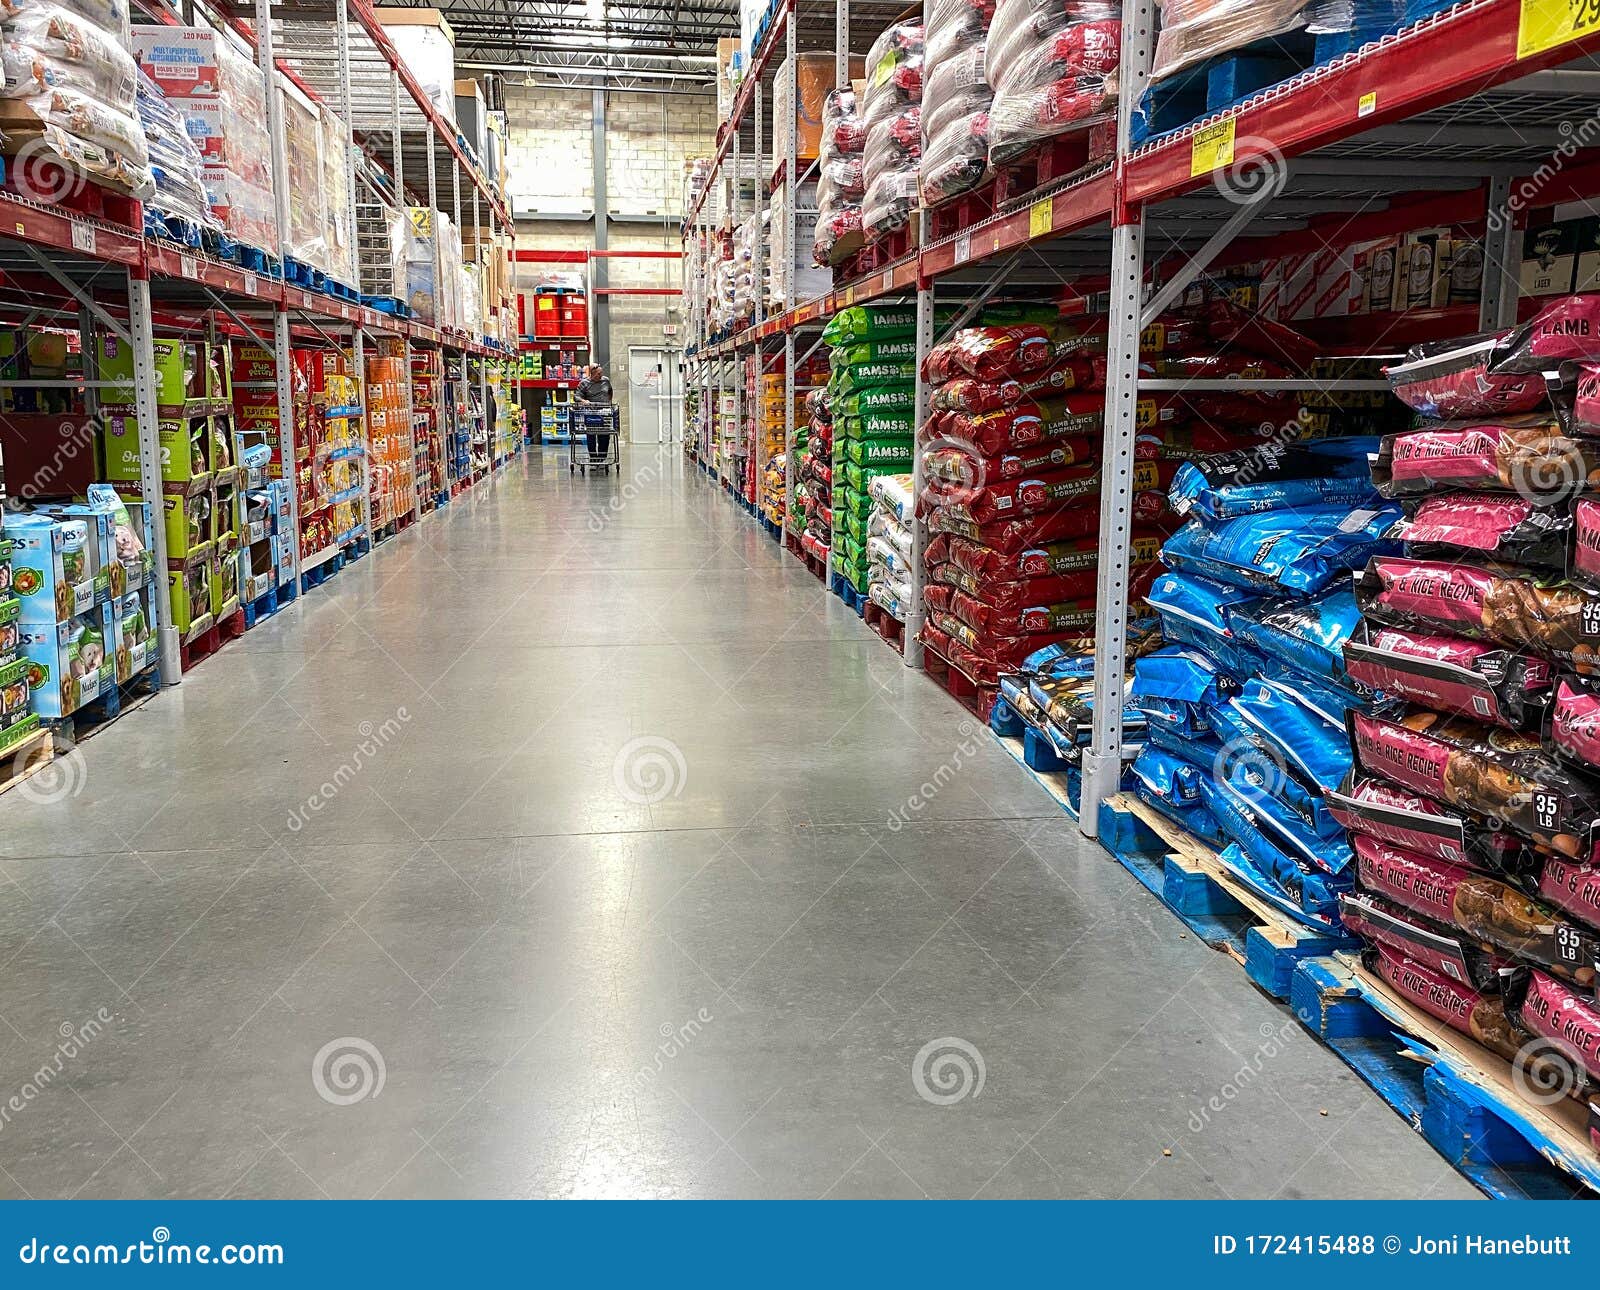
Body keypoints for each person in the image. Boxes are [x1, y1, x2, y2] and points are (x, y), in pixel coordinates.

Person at [575, 362, 615, 465]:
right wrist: (584, 401)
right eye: (598, 374)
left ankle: (602, 459)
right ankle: (593, 459)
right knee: (591, 435)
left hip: (605, 412)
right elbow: (576, 397)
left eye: (601, 373)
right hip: (591, 414)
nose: (600, 376)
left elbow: (610, 391)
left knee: (604, 435)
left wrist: (609, 402)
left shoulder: (606, 380)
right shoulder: (584, 383)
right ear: (592, 373)